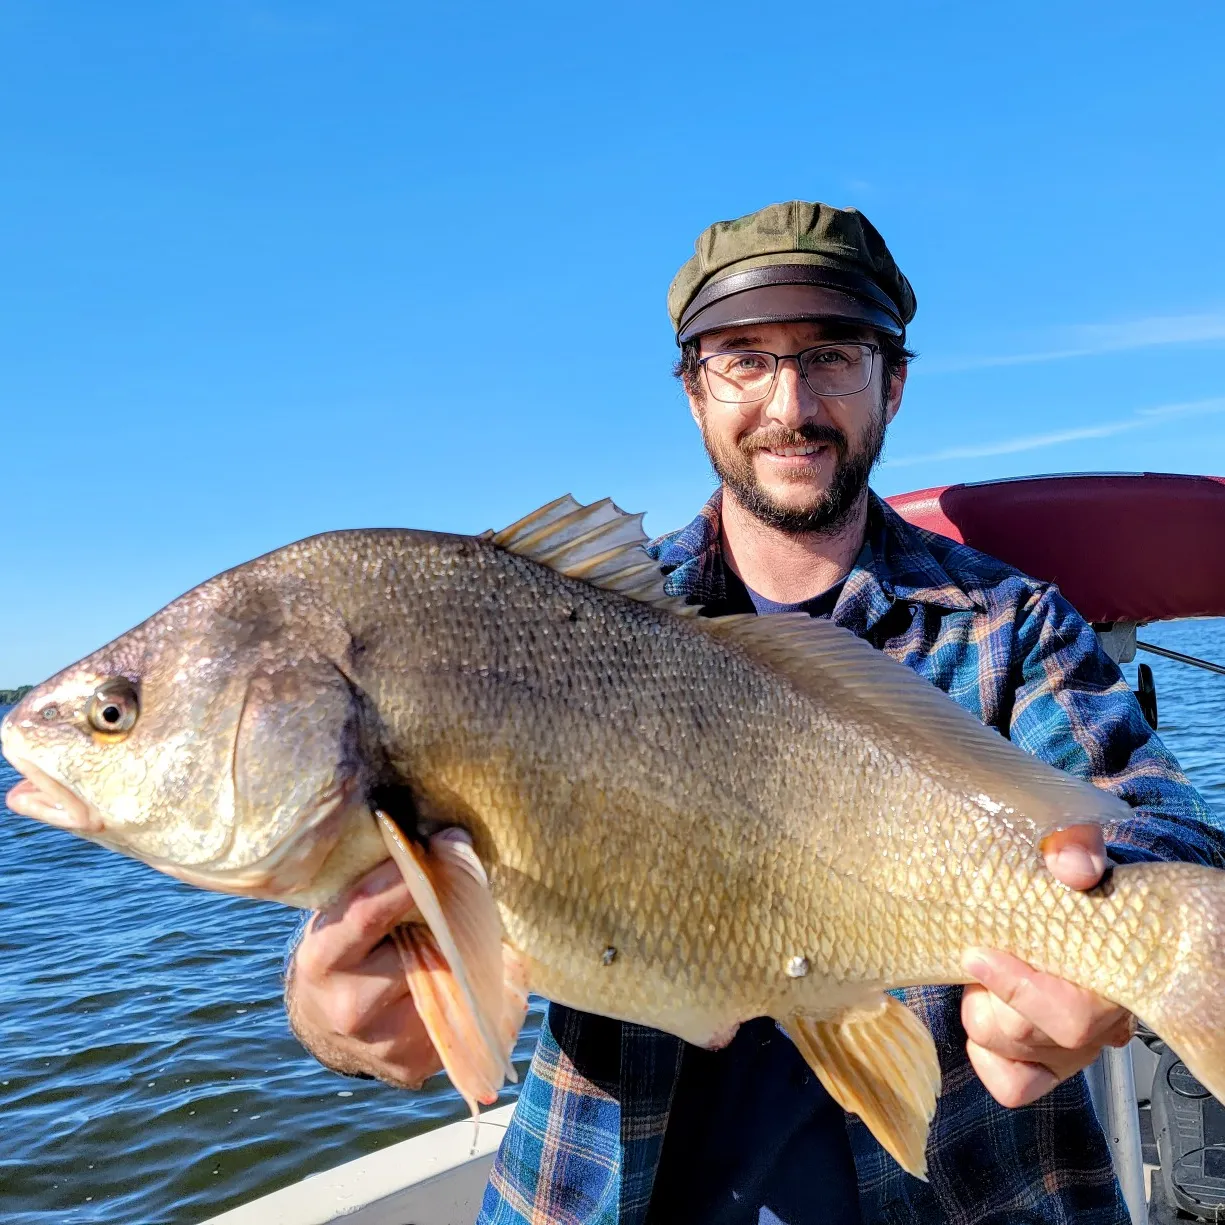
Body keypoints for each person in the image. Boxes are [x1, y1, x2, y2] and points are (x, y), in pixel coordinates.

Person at [285, 201, 1225, 1223]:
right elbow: (415, 969)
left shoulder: (1009, 623)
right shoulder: (566, 625)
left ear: (891, 384)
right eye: (743, 358)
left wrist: (1109, 959)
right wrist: (346, 1016)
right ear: (693, 391)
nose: (790, 402)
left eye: (830, 353)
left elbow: (1153, 828)